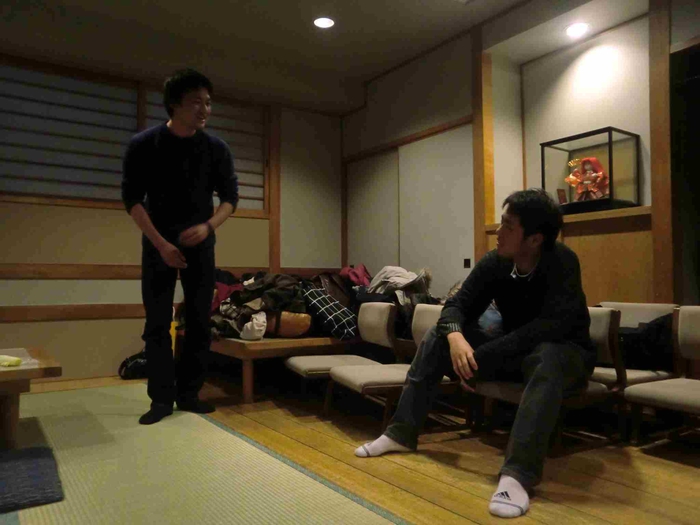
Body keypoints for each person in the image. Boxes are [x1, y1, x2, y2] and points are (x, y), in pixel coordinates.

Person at [355, 188, 594, 519]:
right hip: (513, 353)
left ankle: (517, 476)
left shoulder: (562, 263)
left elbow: (545, 329)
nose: (498, 231)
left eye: (508, 226)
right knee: (439, 337)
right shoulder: (496, 262)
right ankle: (401, 433)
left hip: (566, 357)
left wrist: (479, 359)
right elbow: (457, 305)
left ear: (535, 239)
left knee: (548, 356)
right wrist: (456, 337)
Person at [122, 69, 238, 425]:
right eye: (196, 102)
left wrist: (208, 226)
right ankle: (160, 399)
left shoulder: (216, 149)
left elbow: (230, 199)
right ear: (174, 104)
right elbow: (131, 199)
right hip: (157, 246)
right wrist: (161, 244)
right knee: (157, 323)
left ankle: (189, 395)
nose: (204, 110)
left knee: (199, 322)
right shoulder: (144, 144)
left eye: (208, 102)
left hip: (201, 247)